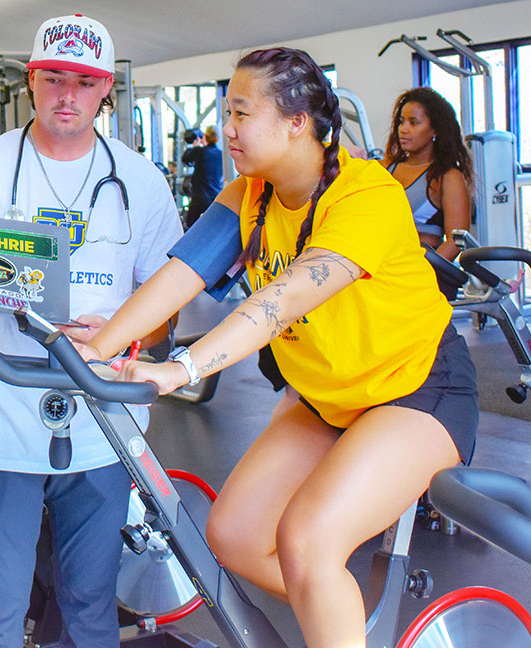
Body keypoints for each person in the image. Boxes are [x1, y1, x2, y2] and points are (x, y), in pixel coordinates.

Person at [76, 47, 478, 648]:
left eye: (241, 112)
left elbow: (281, 302)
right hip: (326, 395)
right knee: (234, 535)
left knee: (307, 541)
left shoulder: (365, 196)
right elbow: (180, 273)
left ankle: (333, 611)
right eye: (226, 111)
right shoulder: (252, 196)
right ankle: (340, 616)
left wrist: (178, 368)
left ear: (296, 123)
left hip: (416, 387)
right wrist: (95, 348)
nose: (226, 129)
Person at [0, 13, 182, 648]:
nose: (67, 95)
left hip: (102, 419)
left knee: (92, 609)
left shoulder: (142, 182)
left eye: (83, 81)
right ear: (31, 79)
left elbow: (167, 314)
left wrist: (125, 332)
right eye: (53, 79)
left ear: (105, 89)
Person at [383, 87, 473, 262]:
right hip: (383, 269)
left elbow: (457, 240)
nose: (404, 129)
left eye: (414, 122)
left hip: (424, 272)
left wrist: (422, 272)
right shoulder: (385, 168)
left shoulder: (447, 177)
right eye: (402, 122)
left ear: (435, 130)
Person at [181, 124, 224, 228]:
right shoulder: (221, 154)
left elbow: (185, 158)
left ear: (205, 137)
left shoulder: (200, 152)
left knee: (190, 226)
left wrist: (194, 146)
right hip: (216, 197)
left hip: (200, 197)